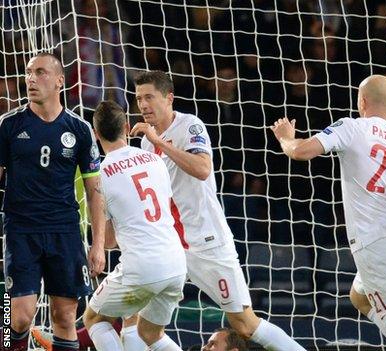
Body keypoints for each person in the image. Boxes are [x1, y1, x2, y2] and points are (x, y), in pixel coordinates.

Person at [271, 74, 386, 350]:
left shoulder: (352, 127)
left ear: (361, 101)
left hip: (375, 245)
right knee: (360, 297)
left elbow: (300, 152)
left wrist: (287, 138)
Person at [129, 70, 305, 351]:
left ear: (169, 98)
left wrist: (160, 142)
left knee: (244, 324)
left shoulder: (189, 126)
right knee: (145, 328)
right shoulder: (146, 142)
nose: (143, 104)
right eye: (139, 99)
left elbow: (202, 169)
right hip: (172, 245)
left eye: (149, 97)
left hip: (207, 242)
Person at [0, 52, 105, 351]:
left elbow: (95, 191)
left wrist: (97, 244)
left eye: (41, 72)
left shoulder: (79, 129)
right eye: (29, 72)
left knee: (65, 316)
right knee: (18, 316)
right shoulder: (8, 125)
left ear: (60, 80)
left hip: (65, 232)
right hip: (21, 230)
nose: (31, 78)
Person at [80, 100, 187, 351]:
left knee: (94, 318)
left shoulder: (101, 175)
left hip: (142, 266)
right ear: (127, 127)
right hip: (175, 262)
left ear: (96, 135)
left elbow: (108, 242)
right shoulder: (155, 160)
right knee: (150, 333)